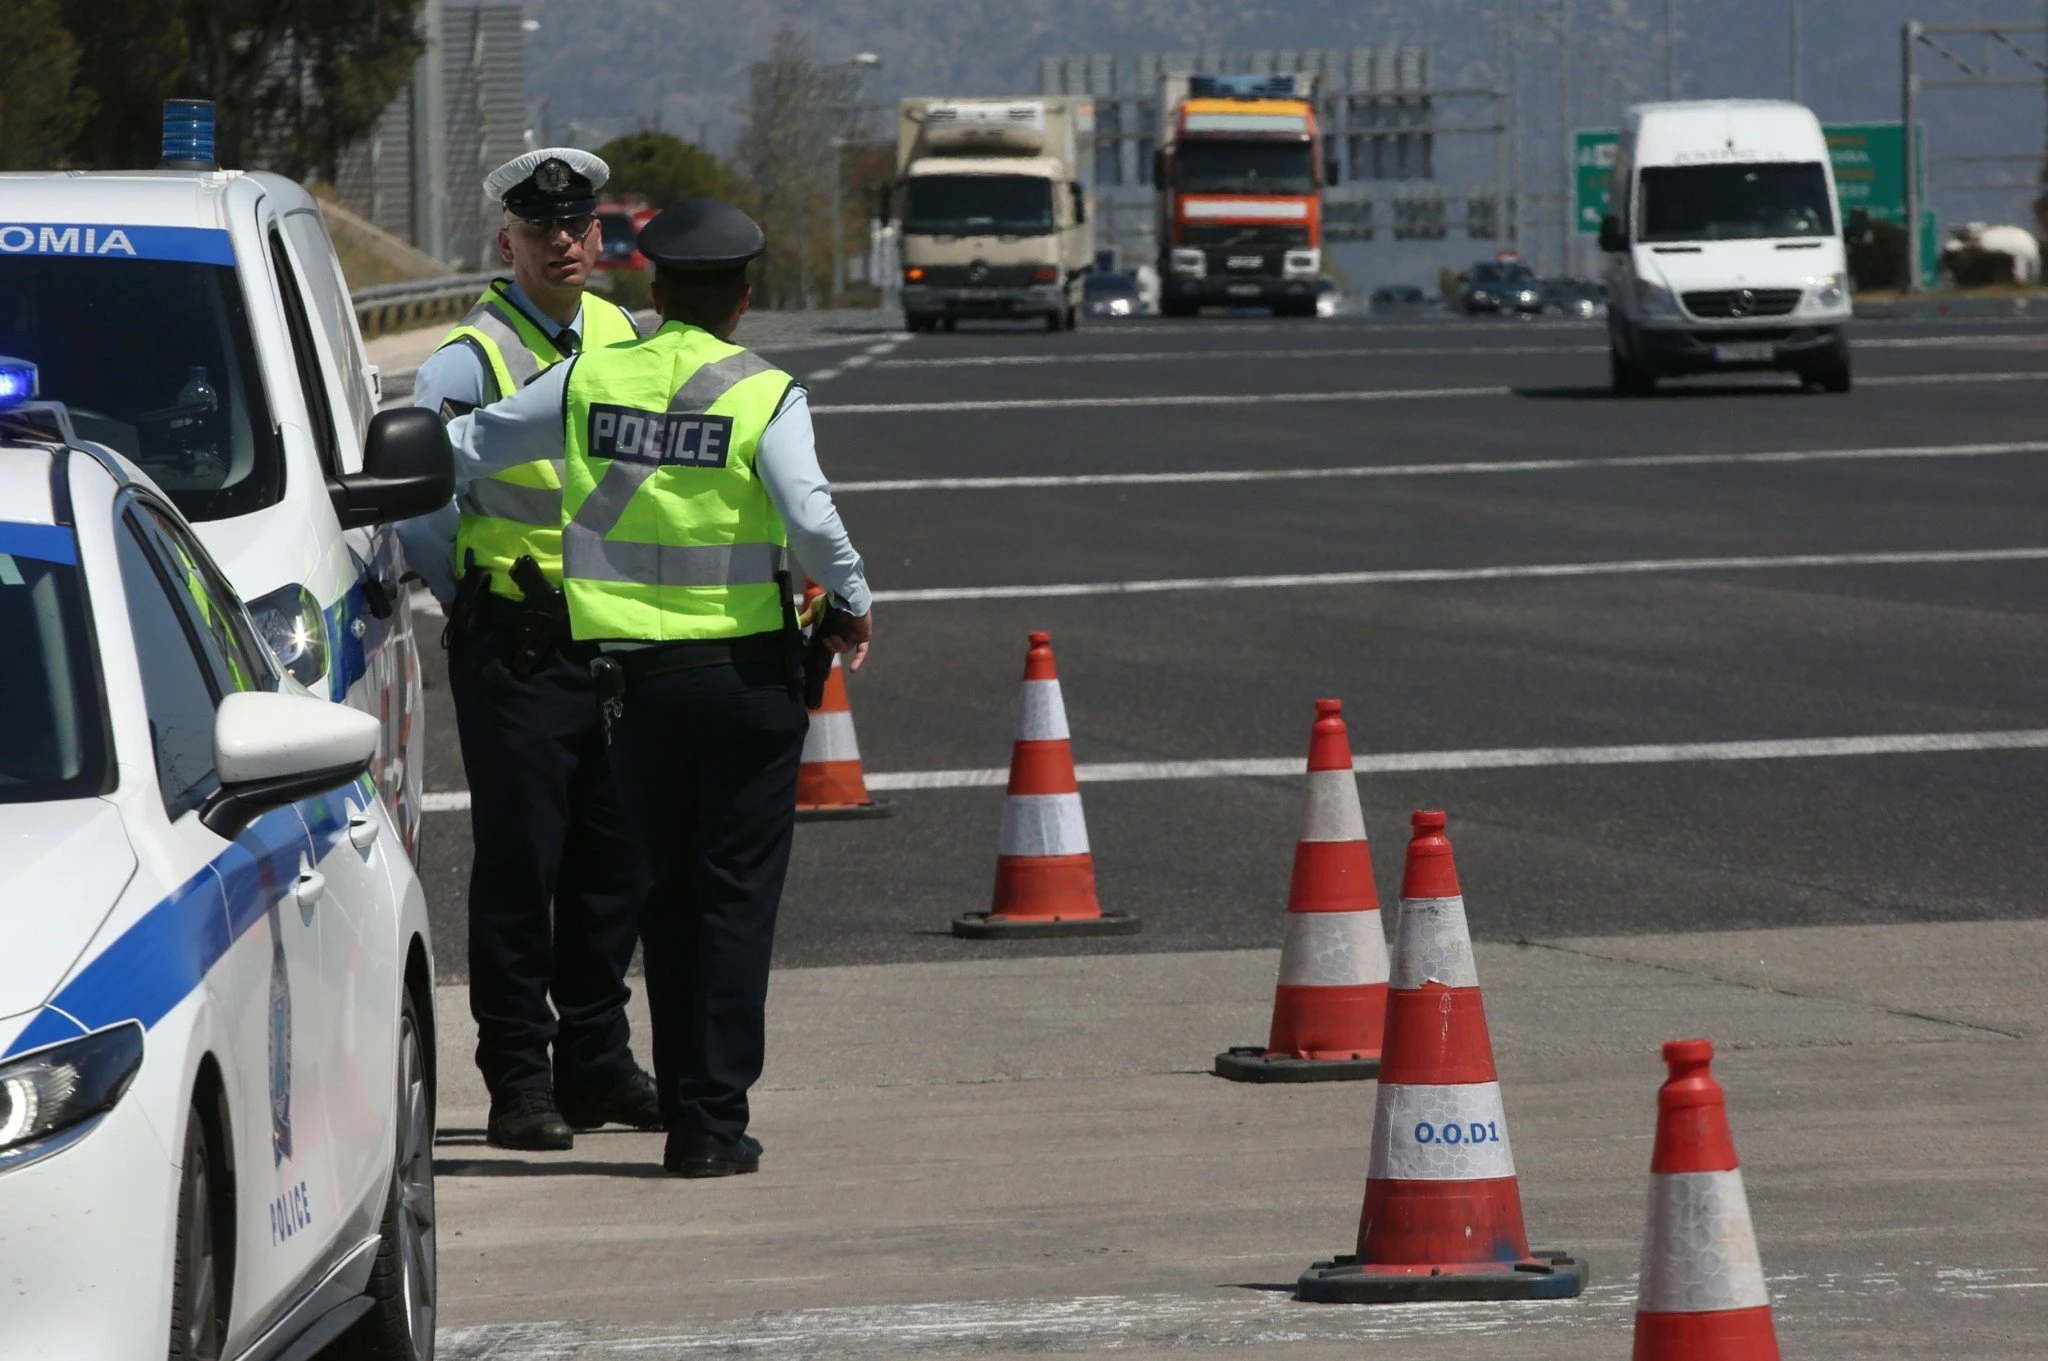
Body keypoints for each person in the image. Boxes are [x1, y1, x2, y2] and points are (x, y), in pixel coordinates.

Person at [444, 197, 872, 1177]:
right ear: (744, 299)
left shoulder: (589, 376)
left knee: (665, 899)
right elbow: (808, 516)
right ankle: (708, 1123)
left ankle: (685, 1103)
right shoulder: (764, 391)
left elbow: (470, 445)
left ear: (654, 285)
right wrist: (851, 595)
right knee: (731, 900)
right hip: (745, 684)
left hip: (629, 690)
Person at [400, 148, 657, 1152]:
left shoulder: (625, 337)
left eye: (579, 225)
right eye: (540, 226)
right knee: (523, 862)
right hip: (515, 641)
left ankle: (596, 1058)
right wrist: (468, 592)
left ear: (599, 235)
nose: (562, 240)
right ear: (506, 241)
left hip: (618, 638)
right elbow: (420, 503)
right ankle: (518, 1075)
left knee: (614, 860)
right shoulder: (465, 361)